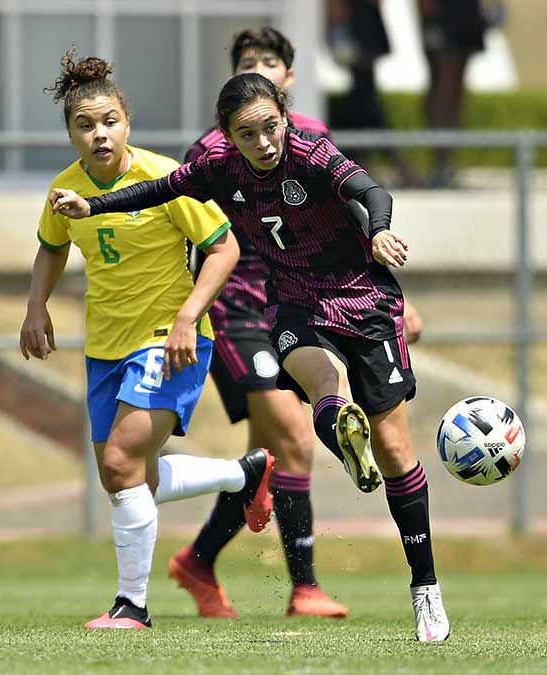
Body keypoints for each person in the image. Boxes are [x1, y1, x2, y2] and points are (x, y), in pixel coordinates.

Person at [48, 72, 450, 642]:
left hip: (365, 299)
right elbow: (157, 191)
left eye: (270, 128)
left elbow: (370, 191)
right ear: (228, 137)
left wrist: (380, 231)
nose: (263, 143)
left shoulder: (311, 154)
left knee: (395, 450)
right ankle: (338, 421)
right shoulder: (221, 169)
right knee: (315, 377)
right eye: (247, 134)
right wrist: (93, 206)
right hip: (293, 305)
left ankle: (424, 587)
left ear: (285, 116)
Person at [172, 25, 422, 621]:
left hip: (308, 298)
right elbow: (186, 233)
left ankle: (200, 560)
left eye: (271, 62)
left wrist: (396, 299)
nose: (262, 69)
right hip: (239, 309)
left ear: (287, 80)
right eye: (247, 63)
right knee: (291, 437)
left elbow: (349, 214)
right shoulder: (214, 155)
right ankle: (303, 586)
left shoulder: (311, 142)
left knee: (271, 453)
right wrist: (186, 310)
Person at [21, 51, 274, 630]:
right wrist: (35, 306)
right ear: (71, 134)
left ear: (126, 123)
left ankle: (131, 605)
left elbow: (225, 247)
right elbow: (53, 246)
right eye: (85, 125)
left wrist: (188, 317)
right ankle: (246, 473)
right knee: (130, 478)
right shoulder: (64, 189)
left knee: (120, 461)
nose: (98, 133)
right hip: (104, 348)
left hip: (170, 340)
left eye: (109, 121)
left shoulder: (163, 179)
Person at [326, 0, 422, 186]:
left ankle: (363, 162)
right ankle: (392, 161)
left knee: (363, 91)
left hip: (362, 14)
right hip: (353, 15)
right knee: (364, 94)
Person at [416, 0, 494, 188]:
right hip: (440, 12)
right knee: (443, 85)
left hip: (465, 11)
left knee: (455, 89)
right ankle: (440, 163)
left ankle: (446, 163)